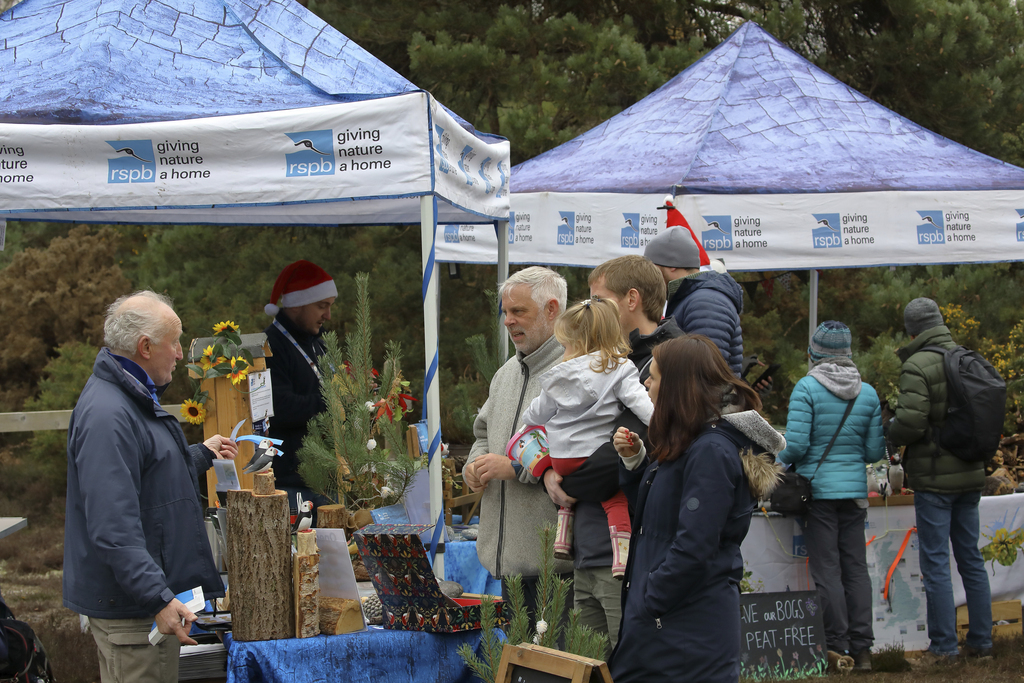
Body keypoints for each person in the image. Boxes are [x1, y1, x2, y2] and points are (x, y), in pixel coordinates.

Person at [64, 291, 238, 683]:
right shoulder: (109, 414)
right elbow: (113, 527)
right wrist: (158, 598)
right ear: (145, 347)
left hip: (138, 606)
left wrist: (200, 455)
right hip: (135, 616)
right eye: (174, 342)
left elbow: (145, 476)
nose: (179, 354)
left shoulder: (128, 395)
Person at [609, 335, 785, 683]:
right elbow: (657, 517)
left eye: (654, 376)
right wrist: (636, 465)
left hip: (687, 636)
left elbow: (695, 544)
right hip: (666, 629)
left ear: (677, 386)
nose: (646, 383)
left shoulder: (711, 451)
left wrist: (652, 599)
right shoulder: (689, 440)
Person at [510, 298, 654, 578]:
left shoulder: (557, 377)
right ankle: (621, 556)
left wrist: (533, 415)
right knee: (615, 497)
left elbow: (535, 415)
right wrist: (663, 421)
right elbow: (641, 404)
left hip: (562, 461)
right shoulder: (620, 369)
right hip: (595, 458)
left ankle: (563, 534)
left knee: (560, 474)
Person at [462, 267, 574, 622]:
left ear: (552, 309)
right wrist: (474, 466)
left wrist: (513, 468)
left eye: (519, 312)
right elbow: (483, 433)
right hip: (509, 564)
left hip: (556, 567)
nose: (508, 321)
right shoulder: (505, 373)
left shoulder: (576, 371)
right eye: (505, 312)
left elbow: (581, 455)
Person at [888, 298, 992, 665]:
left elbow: (912, 423)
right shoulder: (967, 357)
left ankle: (944, 647)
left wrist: (890, 429)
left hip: (935, 479)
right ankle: (981, 641)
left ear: (911, 330)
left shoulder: (918, 364)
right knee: (970, 558)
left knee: (935, 563)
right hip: (971, 472)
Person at [777, 321, 884, 671]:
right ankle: (864, 648)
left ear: (815, 353)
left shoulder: (806, 388)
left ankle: (837, 647)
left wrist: (773, 464)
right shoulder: (867, 393)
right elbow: (872, 452)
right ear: (848, 353)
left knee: (828, 571)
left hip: (818, 493)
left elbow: (798, 445)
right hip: (854, 494)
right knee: (856, 569)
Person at [263, 260, 337, 511]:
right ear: (297, 304)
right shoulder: (270, 346)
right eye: (321, 306)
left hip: (327, 477)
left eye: (329, 306)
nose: (328, 315)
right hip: (291, 481)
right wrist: (335, 402)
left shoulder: (317, 341)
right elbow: (279, 408)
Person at [644, 226, 745, 375]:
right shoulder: (691, 298)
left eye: (652, 267)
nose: (649, 276)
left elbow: (706, 374)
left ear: (672, 265)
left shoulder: (705, 303)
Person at [589, 255, 682, 383]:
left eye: (598, 300)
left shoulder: (674, 364)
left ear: (632, 300)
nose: (592, 309)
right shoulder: (615, 354)